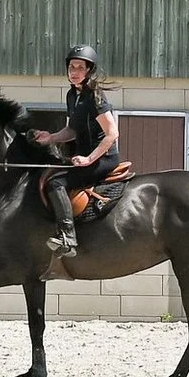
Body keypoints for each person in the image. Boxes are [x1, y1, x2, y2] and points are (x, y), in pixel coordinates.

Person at [30, 44, 121, 258]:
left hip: (103, 159)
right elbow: (72, 130)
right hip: (83, 158)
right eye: (72, 67)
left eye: (80, 67)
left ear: (89, 70)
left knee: (56, 182)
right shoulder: (73, 96)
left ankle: (68, 237)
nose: (74, 71)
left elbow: (112, 133)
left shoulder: (95, 97)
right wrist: (50, 137)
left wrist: (90, 158)